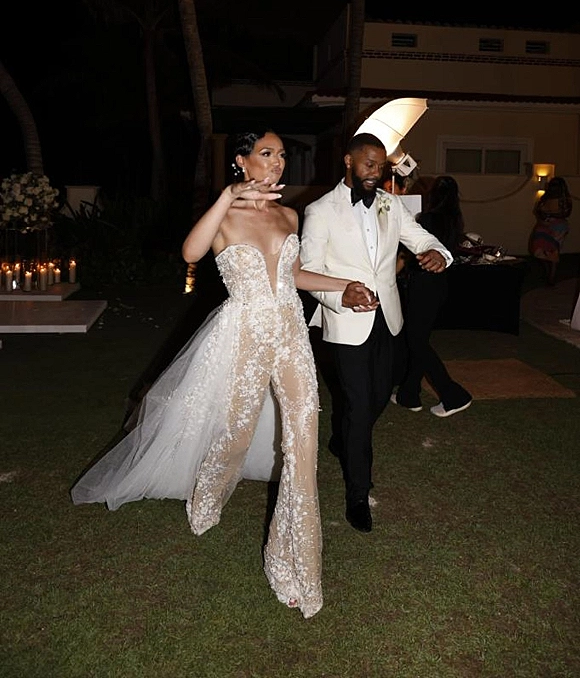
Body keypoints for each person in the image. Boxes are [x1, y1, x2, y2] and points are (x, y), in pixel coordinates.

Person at [71, 130, 374, 620]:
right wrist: (226, 197)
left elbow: (291, 275)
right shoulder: (225, 215)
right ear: (242, 161)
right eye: (266, 154)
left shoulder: (289, 214)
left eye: (280, 156)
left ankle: (288, 561)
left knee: (304, 445)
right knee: (236, 434)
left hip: (292, 334)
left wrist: (345, 286)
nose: (276, 164)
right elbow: (191, 253)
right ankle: (207, 498)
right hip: (244, 336)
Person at [300, 133, 453, 534]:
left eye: (381, 165)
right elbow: (308, 271)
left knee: (374, 401)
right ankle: (357, 493)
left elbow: (419, 238)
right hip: (345, 323)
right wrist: (340, 297)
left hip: (390, 320)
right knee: (359, 404)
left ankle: (344, 435)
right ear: (348, 162)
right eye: (369, 163)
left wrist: (440, 252)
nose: (376, 171)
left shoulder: (390, 203)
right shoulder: (320, 210)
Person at [392, 175, 473, 418]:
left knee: (417, 342)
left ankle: (453, 394)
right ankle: (409, 394)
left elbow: (410, 253)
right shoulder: (454, 220)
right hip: (440, 286)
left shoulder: (427, 219)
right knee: (419, 339)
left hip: (423, 286)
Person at [529, 176, 572, 285]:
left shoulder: (563, 200)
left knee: (552, 251)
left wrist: (549, 214)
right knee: (541, 251)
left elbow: (566, 213)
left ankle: (551, 277)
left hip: (557, 227)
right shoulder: (545, 198)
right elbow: (538, 212)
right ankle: (549, 275)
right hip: (545, 227)